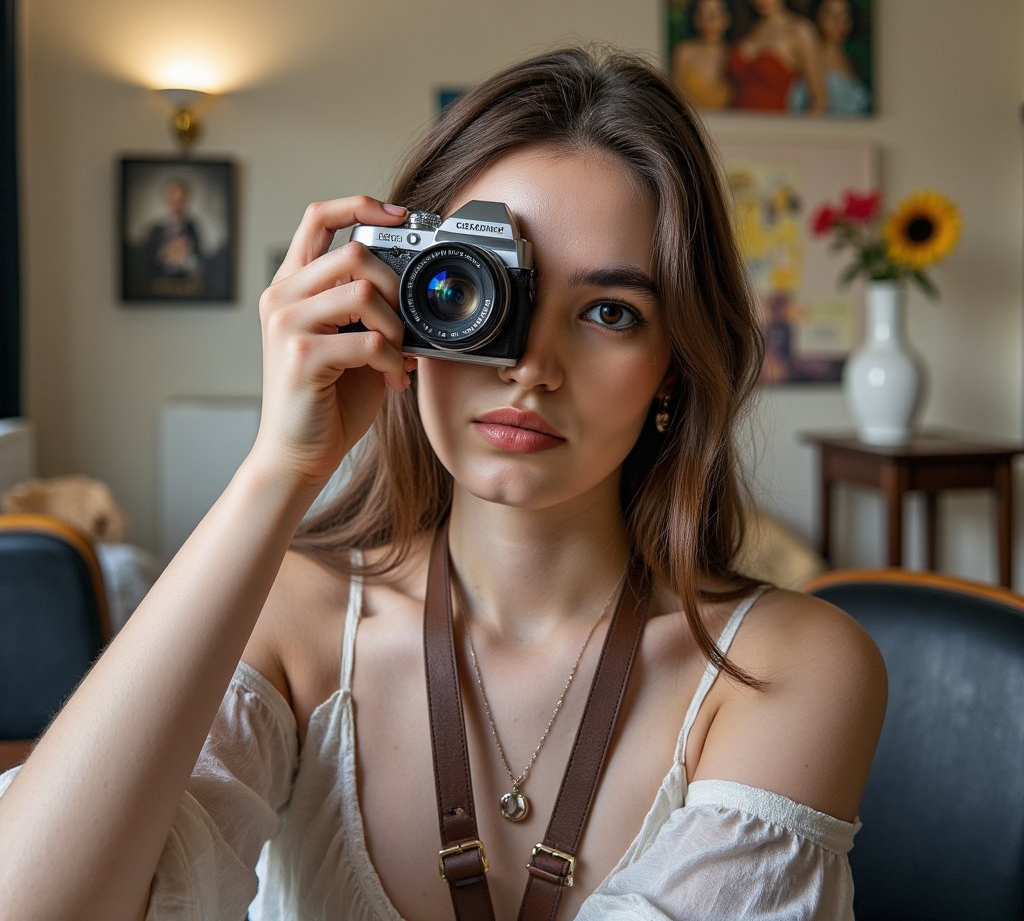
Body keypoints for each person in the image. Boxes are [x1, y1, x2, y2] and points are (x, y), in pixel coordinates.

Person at [0, 46, 886, 919]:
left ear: (674, 368)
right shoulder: (294, 622)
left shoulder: (787, 669)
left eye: (610, 312)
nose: (532, 367)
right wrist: (278, 469)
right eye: (481, 289)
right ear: (403, 304)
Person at [727, 0, 828, 113]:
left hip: (774, 129)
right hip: (731, 128)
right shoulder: (745, 30)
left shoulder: (800, 30)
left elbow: (819, 99)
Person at [788, 0, 871, 116]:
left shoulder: (856, 63)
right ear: (816, 16)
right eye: (830, 14)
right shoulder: (808, 59)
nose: (839, 22)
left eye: (845, 15)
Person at [670, 0, 733, 111]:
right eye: (702, 14)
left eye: (715, 14)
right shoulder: (683, 52)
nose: (708, 21)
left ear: (727, 19)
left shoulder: (735, 55)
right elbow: (675, 101)